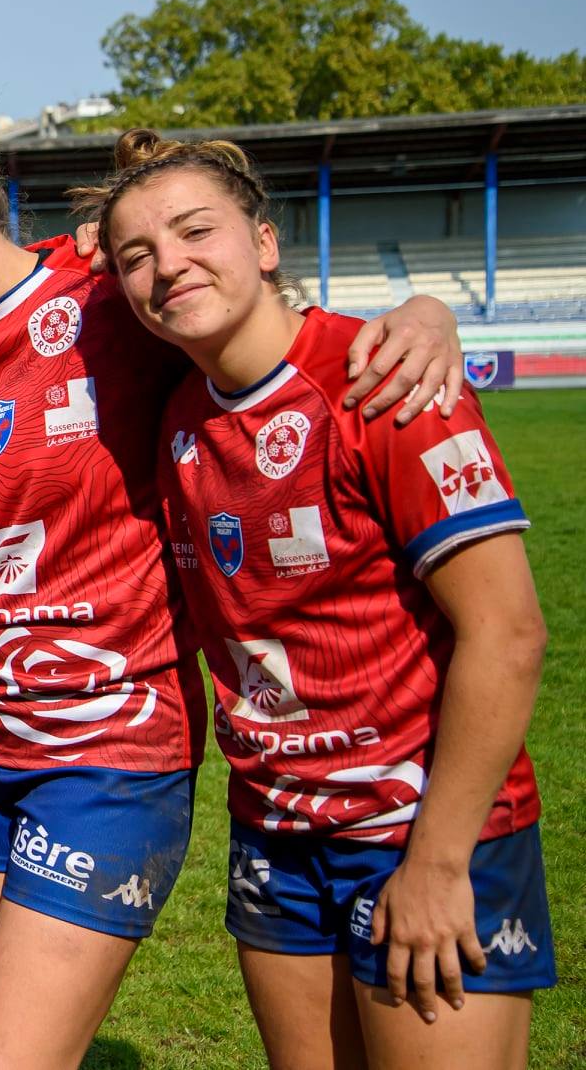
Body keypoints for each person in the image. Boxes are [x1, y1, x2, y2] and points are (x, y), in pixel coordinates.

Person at [0, 91, 467, 1070]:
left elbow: (265, 328)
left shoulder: (107, 297)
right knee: (2, 1037)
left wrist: (426, 312)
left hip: (112, 737)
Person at [83, 128, 551, 1070]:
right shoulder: (179, 417)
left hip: (419, 829)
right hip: (275, 833)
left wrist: (438, 862)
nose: (168, 265)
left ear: (265, 242)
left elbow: (508, 635)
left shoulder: (384, 380)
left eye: (195, 232)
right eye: (137, 255)